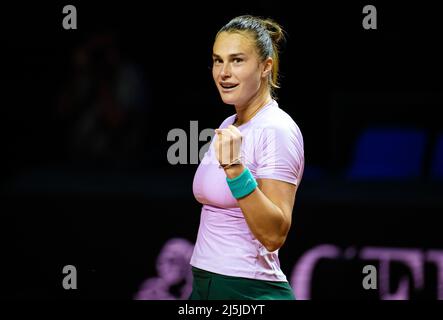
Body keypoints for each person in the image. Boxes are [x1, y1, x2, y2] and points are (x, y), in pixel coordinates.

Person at [189, 15, 305, 300]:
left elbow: (274, 234)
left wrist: (235, 168)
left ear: (266, 67)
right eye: (218, 60)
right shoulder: (230, 123)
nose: (223, 72)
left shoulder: (277, 129)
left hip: (247, 292)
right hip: (206, 286)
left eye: (237, 60)